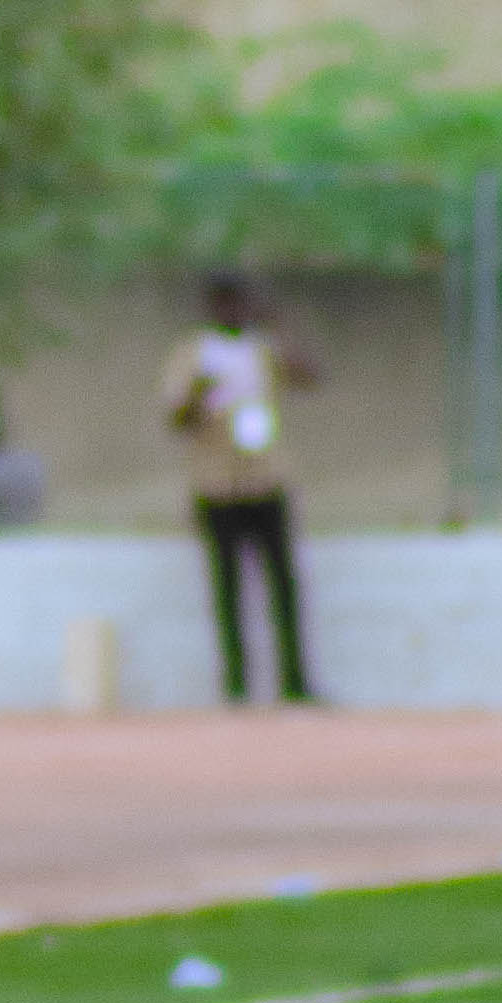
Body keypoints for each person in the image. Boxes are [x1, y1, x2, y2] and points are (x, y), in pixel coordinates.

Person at [163, 272, 316, 704]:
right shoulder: (195, 354)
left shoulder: (263, 348)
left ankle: (295, 681)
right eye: (227, 304)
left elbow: (308, 376)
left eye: (242, 304)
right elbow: (174, 418)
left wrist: (279, 327)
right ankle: (236, 685)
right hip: (216, 484)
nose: (236, 312)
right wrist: (198, 393)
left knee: (284, 587)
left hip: (266, 478)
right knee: (227, 590)